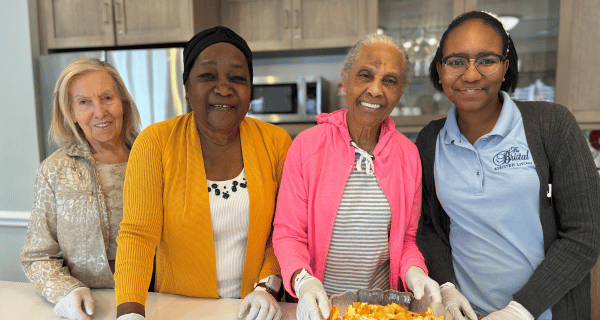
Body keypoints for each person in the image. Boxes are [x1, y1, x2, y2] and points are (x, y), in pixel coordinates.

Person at [416, 11, 600, 320]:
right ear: (440, 70)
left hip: (544, 313)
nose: (470, 75)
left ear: (505, 67)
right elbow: (428, 227)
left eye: (486, 60)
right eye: (456, 61)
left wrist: (520, 310)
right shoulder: (430, 140)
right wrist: (446, 287)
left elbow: (586, 233)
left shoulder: (552, 125)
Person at [114, 26, 292, 320]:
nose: (224, 88)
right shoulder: (155, 142)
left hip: (256, 308)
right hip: (178, 307)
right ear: (186, 88)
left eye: (237, 78)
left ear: (250, 90)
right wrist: (130, 312)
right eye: (208, 76)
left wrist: (266, 287)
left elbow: (283, 231)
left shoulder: (275, 142)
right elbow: (137, 234)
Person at [273, 33, 442, 320]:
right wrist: (303, 282)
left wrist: (415, 273)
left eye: (390, 80)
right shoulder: (307, 146)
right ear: (345, 78)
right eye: (365, 75)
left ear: (401, 91)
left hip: (378, 312)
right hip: (317, 309)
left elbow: (407, 240)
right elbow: (288, 233)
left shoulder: (408, 155)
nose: (375, 90)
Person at [21, 57, 141, 320]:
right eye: (84, 102)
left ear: (123, 103)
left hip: (149, 300)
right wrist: (67, 291)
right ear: (71, 113)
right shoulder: (55, 171)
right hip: (87, 307)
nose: (99, 112)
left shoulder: (151, 158)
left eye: (107, 98)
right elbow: (37, 256)